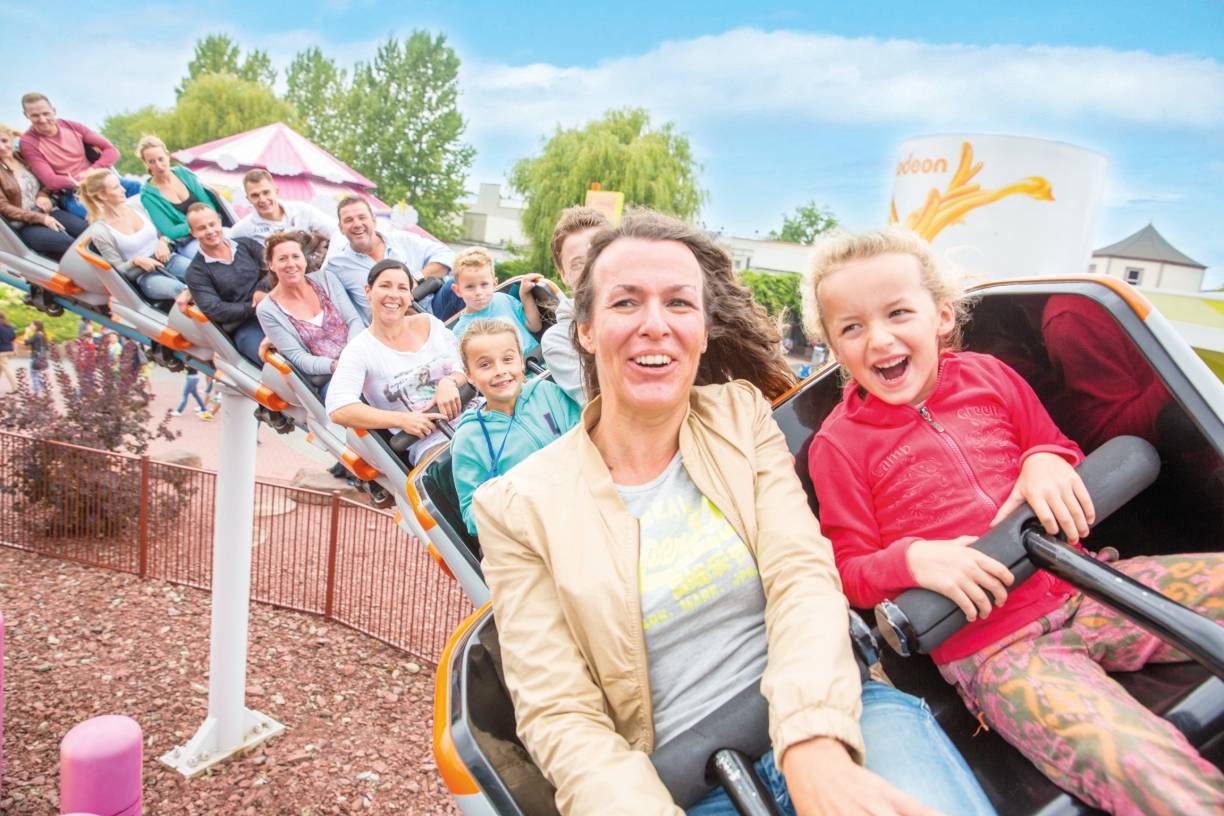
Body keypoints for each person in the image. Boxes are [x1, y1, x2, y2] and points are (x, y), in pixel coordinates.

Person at [473, 210, 994, 816]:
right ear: (585, 331)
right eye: (626, 303)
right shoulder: (516, 506)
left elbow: (802, 576)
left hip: (834, 712)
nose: (655, 325)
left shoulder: (740, 417)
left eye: (678, 303)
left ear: (702, 329)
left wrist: (812, 741)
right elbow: (559, 710)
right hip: (683, 783)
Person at [803, 229, 1224, 816]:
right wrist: (913, 560)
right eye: (852, 327)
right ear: (833, 346)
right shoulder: (838, 446)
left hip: (1088, 585)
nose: (879, 339)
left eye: (898, 313)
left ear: (941, 315)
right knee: (1140, 764)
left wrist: (1046, 459)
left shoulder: (990, 376)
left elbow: (1055, 446)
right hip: (998, 653)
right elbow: (849, 570)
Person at [326, 259, 467, 465]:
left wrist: (450, 381)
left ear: (410, 296)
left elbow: (461, 367)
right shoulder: (359, 350)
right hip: (434, 443)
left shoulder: (429, 323)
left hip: (474, 418)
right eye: (385, 286)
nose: (394, 294)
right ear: (368, 291)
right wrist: (402, 420)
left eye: (402, 288)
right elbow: (339, 408)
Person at [450, 318, 580, 535]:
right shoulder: (468, 439)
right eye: (485, 365)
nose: (500, 370)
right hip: (538, 530)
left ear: (521, 361)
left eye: (508, 359)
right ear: (469, 375)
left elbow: (585, 438)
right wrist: (514, 502)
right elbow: (472, 516)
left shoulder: (547, 392)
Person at [256, 231, 364, 385]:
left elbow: (353, 321)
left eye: (295, 256)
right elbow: (299, 357)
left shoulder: (326, 279)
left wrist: (353, 357)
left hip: (360, 355)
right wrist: (337, 366)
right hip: (330, 376)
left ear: (304, 260)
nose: (291, 264)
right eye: (282, 259)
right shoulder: (267, 310)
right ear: (271, 265)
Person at [323, 196, 453, 321]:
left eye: (362, 217)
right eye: (348, 220)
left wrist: (416, 279)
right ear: (341, 228)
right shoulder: (336, 266)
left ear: (374, 220)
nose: (357, 224)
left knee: (456, 283)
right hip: (390, 325)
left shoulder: (403, 239)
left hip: (435, 307)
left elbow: (448, 256)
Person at [18, 93, 139, 217]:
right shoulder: (28, 143)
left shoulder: (73, 126)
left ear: (54, 110)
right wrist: (80, 180)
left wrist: (91, 172)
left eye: (46, 113)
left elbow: (112, 151)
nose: (42, 120)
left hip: (99, 179)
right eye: (35, 115)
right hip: (72, 192)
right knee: (99, 217)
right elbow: (51, 181)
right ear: (26, 115)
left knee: (141, 190)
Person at [78, 168, 189, 302]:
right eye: (116, 187)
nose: (123, 190)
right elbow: (118, 271)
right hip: (146, 276)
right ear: (102, 195)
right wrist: (136, 261)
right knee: (179, 289)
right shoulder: (100, 231)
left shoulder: (137, 206)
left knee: (202, 273)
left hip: (169, 260)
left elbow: (163, 234)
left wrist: (163, 242)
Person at [180, 203, 270, 364]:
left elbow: (273, 269)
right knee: (270, 361)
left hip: (274, 306)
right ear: (193, 232)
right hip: (245, 325)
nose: (210, 231)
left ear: (220, 223)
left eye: (212, 224)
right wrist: (255, 306)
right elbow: (215, 310)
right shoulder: (196, 273)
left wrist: (261, 290)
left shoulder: (246, 244)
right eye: (201, 228)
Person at [540, 206, 609, 403]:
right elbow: (595, 402)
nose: (591, 269)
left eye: (599, 255)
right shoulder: (559, 340)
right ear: (563, 274)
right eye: (578, 264)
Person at [1, 124, 88, 259]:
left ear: (11, 139)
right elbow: (4, 207)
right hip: (24, 224)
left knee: (86, 231)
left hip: (48, 211)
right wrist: (40, 218)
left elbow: (48, 180)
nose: (1, 147)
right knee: (68, 244)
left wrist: (44, 194)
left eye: (4, 141)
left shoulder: (26, 158)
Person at [448, 247, 543, 356]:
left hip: (539, 359)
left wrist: (525, 294)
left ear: (494, 284)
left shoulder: (503, 300)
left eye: (484, 284)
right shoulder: (460, 331)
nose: (478, 292)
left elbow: (535, 326)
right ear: (458, 290)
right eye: (470, 287)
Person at [137, 135, 214, 261]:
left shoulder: (184, 173)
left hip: (211, 228)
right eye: (152, 162)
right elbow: (170, 231)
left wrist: (202, 225)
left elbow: (210, 206)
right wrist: (199, 224)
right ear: (146, 163)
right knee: (206, 255)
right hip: (188, 242)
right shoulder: (148, 196)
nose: (158, 165)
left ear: (167, 155)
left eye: (161, 159)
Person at [230, 169, 338, 246]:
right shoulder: (242, 230)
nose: (262, 199)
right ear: (248, 199)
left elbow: (337, 233)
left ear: (276, 191)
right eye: (255, 195)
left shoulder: (303, 211)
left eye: (266, 192)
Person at [26, 319, 49, 396]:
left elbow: (26, 342)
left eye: (31, 324)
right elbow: (46, 348)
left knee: (34, 374)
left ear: (36, 326)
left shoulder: (36, 335)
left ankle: (37, 393)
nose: (30, 326)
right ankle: (47, 391)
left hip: (35, 357)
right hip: (43, 358)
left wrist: (26, 333)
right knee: (42, 375)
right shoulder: (43, 334)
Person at [0, 311, 17, 394]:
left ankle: (15, 387)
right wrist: (14, 350)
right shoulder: (10, 327)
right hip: (9, 350)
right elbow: (13, 339)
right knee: (1, 368)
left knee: (6, 368)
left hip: (1, 351)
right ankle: (15, 387)